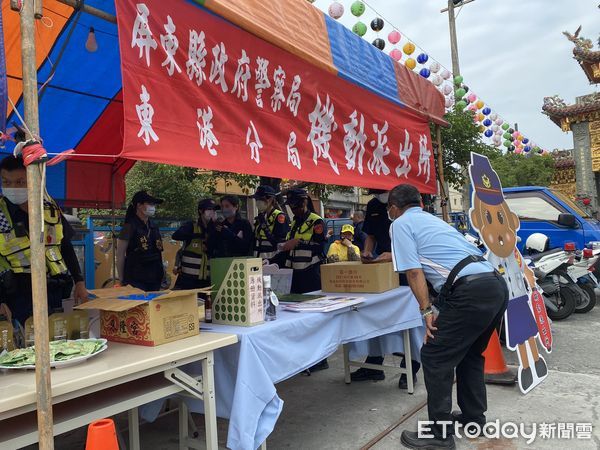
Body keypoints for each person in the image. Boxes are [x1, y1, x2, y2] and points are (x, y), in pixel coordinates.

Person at [386, 184, 508, 450]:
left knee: (435, 356)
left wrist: (426, 310)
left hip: (469, 292)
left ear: (394, 207)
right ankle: (473, 418)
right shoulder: (432, 220)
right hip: (495, 285)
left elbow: (414, 272)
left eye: (389, 209)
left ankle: (440, 436)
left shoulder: (400, 224)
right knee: (471, 354)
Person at [0, 155, 88, 325]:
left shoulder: (50, 208)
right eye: (6, 182)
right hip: (16, 295)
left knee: (55, 338)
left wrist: (79, 281)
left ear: (33, 180)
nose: (13, 188)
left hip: (52, 290)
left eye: (19, 182)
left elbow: (65, 245)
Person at [352, 189, 421, 387]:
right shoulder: (374, 205)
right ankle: (373, 365)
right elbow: (371, 235)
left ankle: (410, 369)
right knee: (378, 316)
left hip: (409, 269)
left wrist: (395, 255)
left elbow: (417, 241)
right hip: (383, 271)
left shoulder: (410, 199)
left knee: (411, 321)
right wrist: (366, 251)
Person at [280, 188, 327, 371]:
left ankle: (321, 359)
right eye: (291, 207)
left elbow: (320, 247)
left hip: (310, 274)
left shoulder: (316, 221)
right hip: (295, 275)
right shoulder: (294, 223)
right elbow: (289, 247)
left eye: (296, 206)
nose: (294, 210)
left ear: (304, 203)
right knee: (299, 321)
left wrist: (299, 242)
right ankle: (305, 359)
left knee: (314, 320)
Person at [117, 191, 164, 291]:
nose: (153, 207)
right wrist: (121, 279)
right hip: (136, 278)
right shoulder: (128, 226)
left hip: (154, 277)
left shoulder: (153, 226)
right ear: (139, 205)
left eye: (154, 204)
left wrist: (162, 273)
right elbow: (120, 254)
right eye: (150, 204)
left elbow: (159, 252)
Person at [172, 198, 217, 290]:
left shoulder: (215, 229)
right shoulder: (191, 226)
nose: (212, 212)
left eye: (214, 210)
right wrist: (194, 235)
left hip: (207, 281)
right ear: (201, 211)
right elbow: (176, 236)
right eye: (209, 209)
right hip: (188, 281)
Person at [251, 185, 289, 261]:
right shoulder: (261, 217)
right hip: (258, 261)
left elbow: (279, 244)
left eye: (260, 199)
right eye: (256, 199)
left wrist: (264, 226)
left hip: (273, 262)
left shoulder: (279, 217)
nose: (258, 202)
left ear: (270, 199)